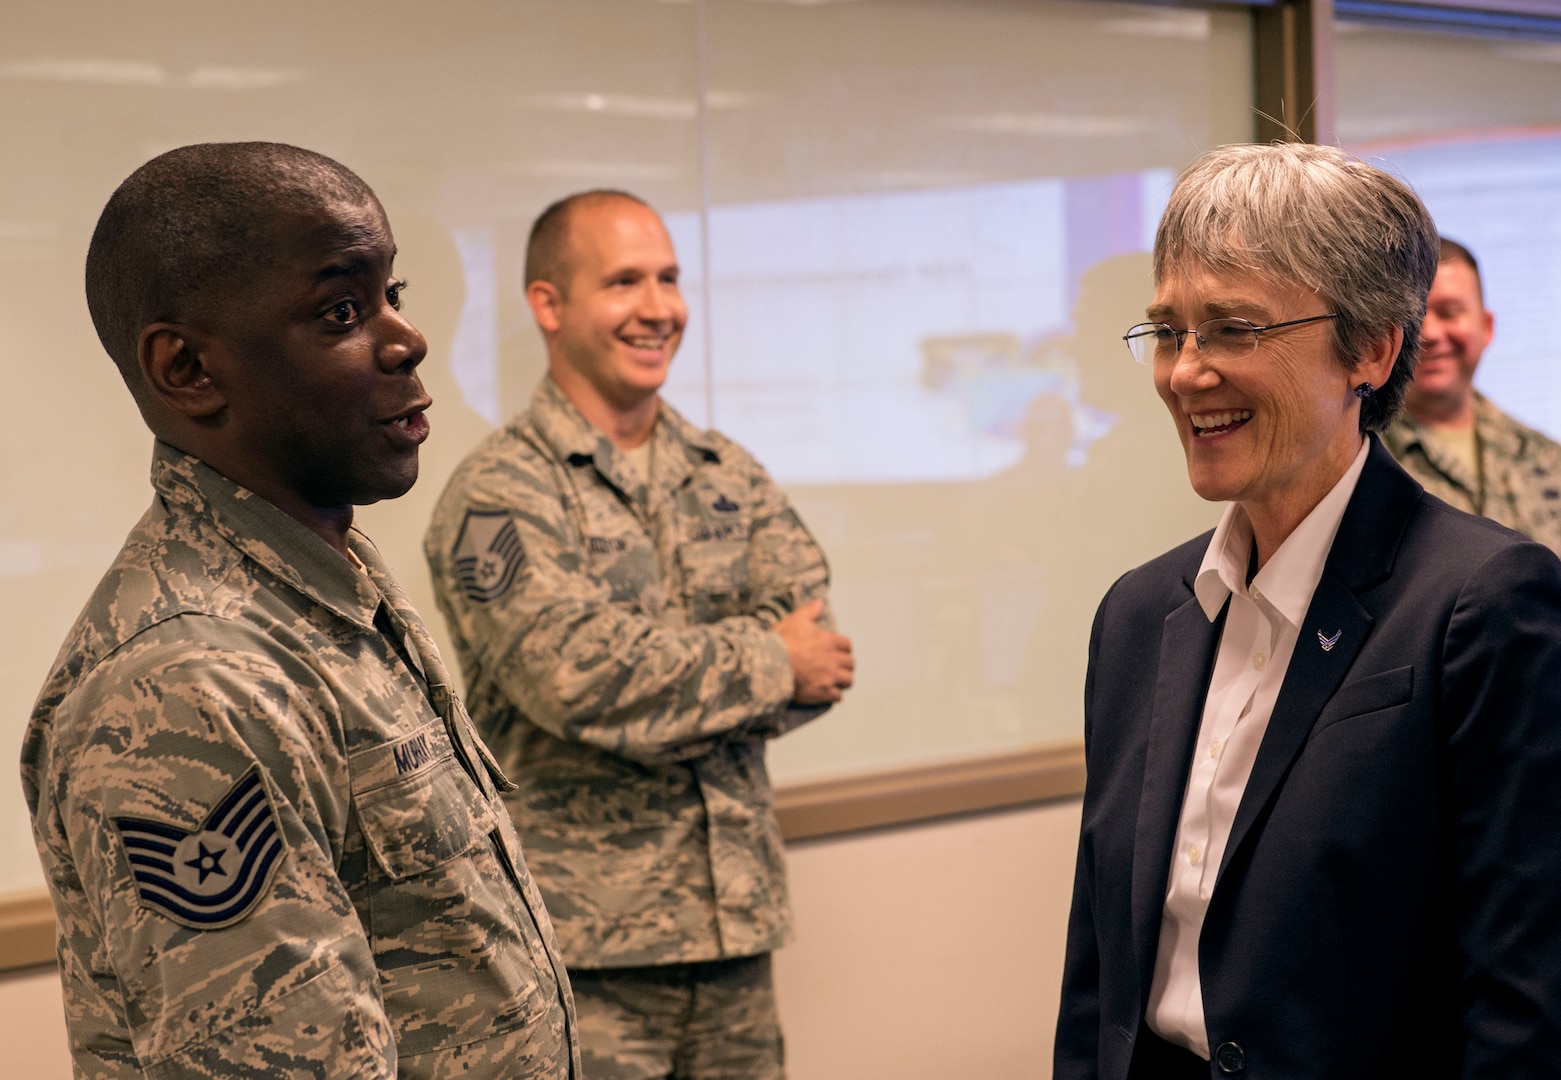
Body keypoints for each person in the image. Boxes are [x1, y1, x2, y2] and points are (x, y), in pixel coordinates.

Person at [21, 142, 578, 1079]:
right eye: (342, 311)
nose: (406, 339)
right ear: (189, 369)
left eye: (393, 295)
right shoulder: (191, 680)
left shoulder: (323, 586)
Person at [1055, 143, 1561, 1080]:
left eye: (1233, 329)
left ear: (1369, 349)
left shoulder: (1482, 604)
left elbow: (1523, 998)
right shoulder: (1136, 617)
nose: (1184, 373)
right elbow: (1098, 977)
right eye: (1168, 331)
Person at [424, 189, 854, 1080]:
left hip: (733, 937)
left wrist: (678, 681)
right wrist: (768, 660)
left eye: (668, 278)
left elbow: (824, 655)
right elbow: (576, 682)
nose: (658, 307)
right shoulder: (500, 495)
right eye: (624, 281)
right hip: (583, 955)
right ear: (549, 305)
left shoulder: (724, 472)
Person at [1383, 237, 1561, 552]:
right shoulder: (1357, 461)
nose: (1430, 334)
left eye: (1449, 312)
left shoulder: (1549, 461)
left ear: (1486, 326)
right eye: (1415, 315)